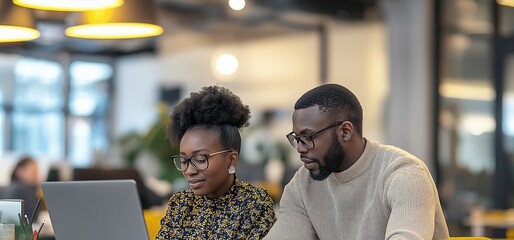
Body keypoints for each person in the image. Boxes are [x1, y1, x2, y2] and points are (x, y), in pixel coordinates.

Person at [264, 84, 449, 239]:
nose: (300, 148)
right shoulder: (302, 185)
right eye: (296, 138)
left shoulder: (405, 175)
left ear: (345, 131)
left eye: (308, 137)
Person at [156, 86, 276, 239]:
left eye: (200, 159)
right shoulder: (180, 203)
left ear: (231, 159)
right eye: (184, 160)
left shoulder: (255, 203)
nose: (189, 171)